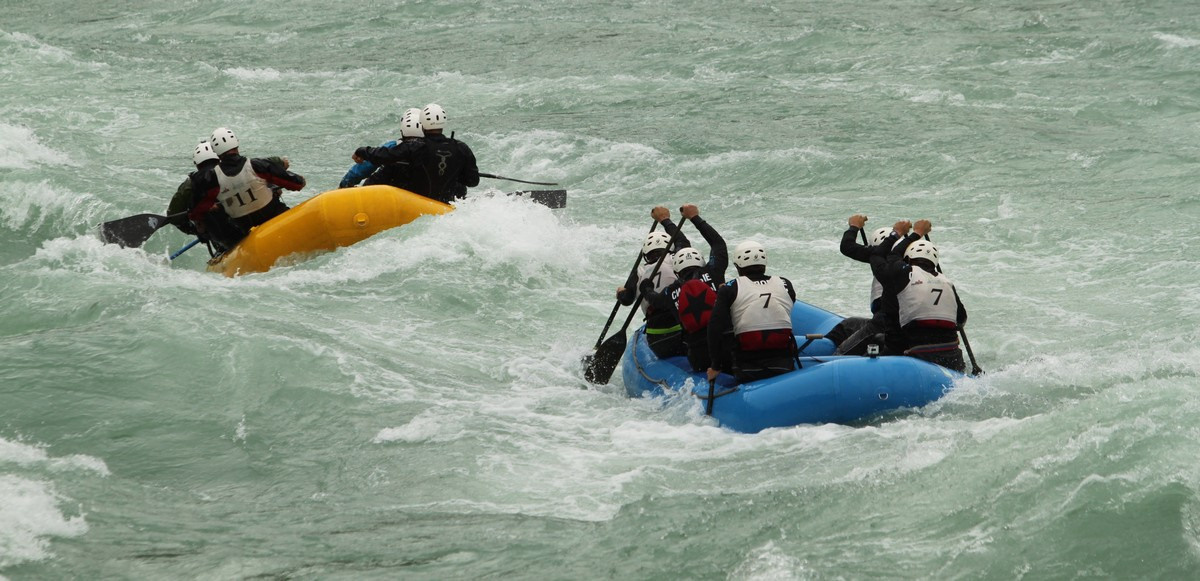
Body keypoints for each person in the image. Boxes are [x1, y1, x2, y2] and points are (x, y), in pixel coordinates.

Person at [869, 219, 968, 372]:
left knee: (880, 340)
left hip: (920, 357)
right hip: (954, 358)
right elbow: (961, 319)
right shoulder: (947, 282)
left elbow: (884, 255)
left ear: (908, 258)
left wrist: (904, 234)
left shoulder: (905, 272)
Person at [639, 204, 727, 371]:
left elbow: (654, 300)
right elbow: (718, 244)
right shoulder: (714, 271)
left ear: (677, 271)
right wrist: (695, 217)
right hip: (727, 345)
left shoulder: (672, 291)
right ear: (701, 262)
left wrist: (646, 287)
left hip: (698, 357)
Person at [189, 127, 307, 244]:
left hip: (246, 232)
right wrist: (301, 180)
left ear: (216, 152)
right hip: (276, 217)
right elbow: (297, 184)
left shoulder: (211, 180)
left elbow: (195, 212)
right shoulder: (257, 165)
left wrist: (212, 208)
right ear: (236, 143)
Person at [706, 241, 798, 384]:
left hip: (748, 367)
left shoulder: (729, 288)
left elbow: (714, 328)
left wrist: (715, 366)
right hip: (783, 363)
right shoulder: (785, 283)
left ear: (738, 266)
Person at [352, 103, 480, 204]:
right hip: (446, 207)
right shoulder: (461, 148)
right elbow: (473, 181)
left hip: (419, 204)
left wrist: (362, 151)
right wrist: (452, 173)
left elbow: (383, 155)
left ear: (422, 125)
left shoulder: (416, 147)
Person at [616, 206, 693, 359]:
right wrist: (665, 220)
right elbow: (682, 241)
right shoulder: (676, 259)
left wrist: (620, 293)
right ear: (669, 247)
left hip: (658, 338)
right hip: (684, 330)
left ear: (646, 254)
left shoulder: (639, 271)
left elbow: (627, 300)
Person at [828, 214, 897, 355]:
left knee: (842, 352)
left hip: (883, 321)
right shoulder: (907, 260)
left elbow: (847, 246)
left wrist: (854, 227)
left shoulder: (878, 255)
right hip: (900, 321)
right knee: (848, 325)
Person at [339, 107, 425, 189]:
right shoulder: (430, 147)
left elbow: (365, 167)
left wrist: (344, 184)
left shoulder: (392, 147)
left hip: (389, 190)